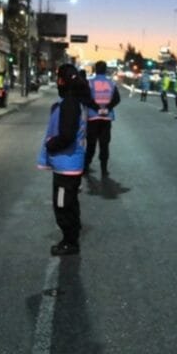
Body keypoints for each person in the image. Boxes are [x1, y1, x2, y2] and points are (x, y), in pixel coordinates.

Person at [38, 63, 88, 256]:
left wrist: (50, 145)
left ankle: (69, 241)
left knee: (62, 204)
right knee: (70, 203)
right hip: (71, 164)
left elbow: (66, 135)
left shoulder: (69, 103)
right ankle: (72, 233)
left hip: (66, 166)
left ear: (61, 81)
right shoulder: (77, 100)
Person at [84, 60, 121, 176]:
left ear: (95, 70)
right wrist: (107, 108)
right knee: (104, 144)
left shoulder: (90, 83)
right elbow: (116, 99)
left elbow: (87, 99)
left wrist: (97, 108)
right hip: (106, 119)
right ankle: (104, 170)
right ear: (106, 70)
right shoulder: (111, 83)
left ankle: (86, 167)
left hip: (93, 118)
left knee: (91, 144)